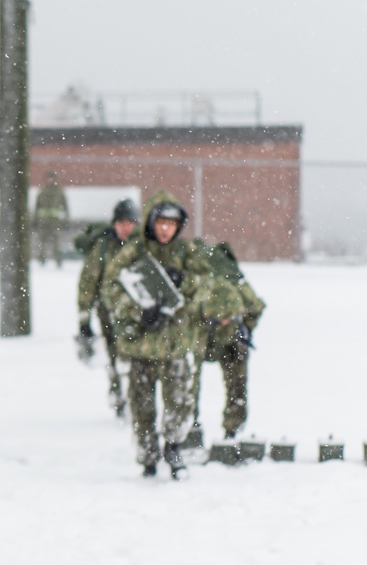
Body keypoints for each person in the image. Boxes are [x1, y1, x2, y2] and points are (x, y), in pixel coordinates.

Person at [101, 192, 239, 478]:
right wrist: (139, 311)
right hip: (141, 345)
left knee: (179, 401)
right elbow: (111, 287)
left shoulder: (187, 253)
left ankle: (174, 446)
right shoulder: (134, 252)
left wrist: (183, 282)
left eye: (172, 224)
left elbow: (205, 285)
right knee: (142, 407)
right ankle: (147, 456)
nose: (166, 229)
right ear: (151, 222)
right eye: (161, 222)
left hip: (176, 342)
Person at [190, 241, 265, 441]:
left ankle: (232, 430)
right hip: (200, 336)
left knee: (237, 383)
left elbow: (256, 308)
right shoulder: (194, 287)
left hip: (232, 339)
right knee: (188, 379)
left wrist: (244, 331)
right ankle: (189, 428)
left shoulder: (234, 280)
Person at [75, 197, 140, 416]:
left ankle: (136, 397)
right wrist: (84, 320)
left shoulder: (141, 246)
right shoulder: (103, 248)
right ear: (114, 224)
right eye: (121, 222)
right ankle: (118, 396)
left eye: (130, 222)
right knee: (114, 355)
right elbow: (87, 284)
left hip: (137, 313)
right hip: (109, 313)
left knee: (136, 357)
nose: (125, 227)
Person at [33, 173, 69, 266]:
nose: (51, 180)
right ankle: (41, 259)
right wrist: (34, 221)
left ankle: (58, 260)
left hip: (55, 221)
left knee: (56, 241)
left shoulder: (59, 192)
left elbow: (65, 207)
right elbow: (36, 207)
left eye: (52, 178)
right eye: (49, 178)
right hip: (43, 221)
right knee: (42, 241)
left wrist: (66, 221)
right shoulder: (42, 192)